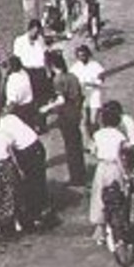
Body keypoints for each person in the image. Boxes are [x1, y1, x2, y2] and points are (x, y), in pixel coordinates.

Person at [42, 50, 88, 188]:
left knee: (70, 146)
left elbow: (61, 100)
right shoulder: (72, 76)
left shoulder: (58, 79)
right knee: (76, 144)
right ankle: (81, 175)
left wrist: (47, 108)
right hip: (75, 113)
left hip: (66, 116)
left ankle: (75, 178)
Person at [88, 104, 131, 247]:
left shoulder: (97, 135)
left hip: (101, 168)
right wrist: (125, 173)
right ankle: (118, 225)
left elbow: (92, 151)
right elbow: (121, 155)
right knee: (117, 196)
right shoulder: (120, 136)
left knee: (99, 196)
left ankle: (100, 228)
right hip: (114, 168)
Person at [0, 111, 49, 230]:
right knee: (39, 180)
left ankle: (35, 215)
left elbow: (10, 152)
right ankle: (42, 209)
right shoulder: (11, 117)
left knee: (30, 183)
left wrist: (18, 168)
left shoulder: (2, 130)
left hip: (28, 152)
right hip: (38, 146)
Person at [12, 19, 51, 107]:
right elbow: (16, 58)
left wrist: (47, 70)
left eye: (38, 32)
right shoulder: (20, 40)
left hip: (40, 71)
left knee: (40, 96)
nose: (36, 34)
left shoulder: (40, 40)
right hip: (27, 71)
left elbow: (45, 55)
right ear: (29, 29)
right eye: (35, 32)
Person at [69, 44, 106, 136]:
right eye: (80, 56)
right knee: (84, 120)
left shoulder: (95, 65)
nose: (82, 58)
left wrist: (91, 83)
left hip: (94, 93)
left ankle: (98, 137)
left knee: (94, 120)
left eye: (84, 55)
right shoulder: (74, 68)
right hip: (82, 95)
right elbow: (72, 82)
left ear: (88, 54)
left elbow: (101, 80)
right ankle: (88, 142)